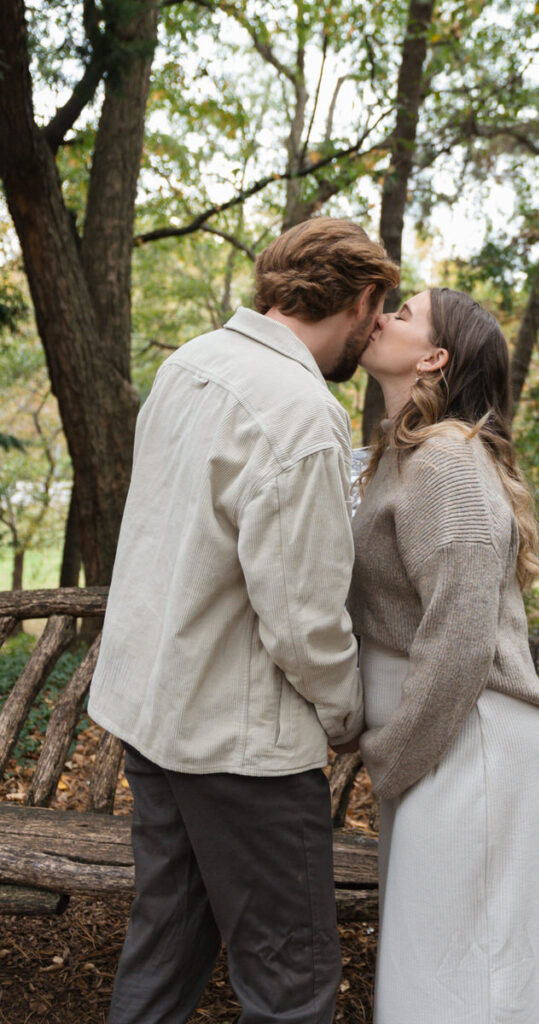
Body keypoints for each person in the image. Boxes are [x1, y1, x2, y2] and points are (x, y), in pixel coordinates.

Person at [87, 217, 400, 1024]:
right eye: (377, 313)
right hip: (239, 745)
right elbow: (302, 616)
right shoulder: (301, 412)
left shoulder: (189, 363)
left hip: (153, 713)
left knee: (164, 950)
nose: (373, 333)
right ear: (362, 298)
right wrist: (345, 714)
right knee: (290, 982)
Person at [348, 288, 539, 1024]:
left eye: (402, 314)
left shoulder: (446, 461)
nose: (380, 317)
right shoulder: (404, 455)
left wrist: (388, 752)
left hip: (471, 733)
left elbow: (463, 635)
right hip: (441, 732)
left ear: (434, 358)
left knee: (462, 978)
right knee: (436, 960)